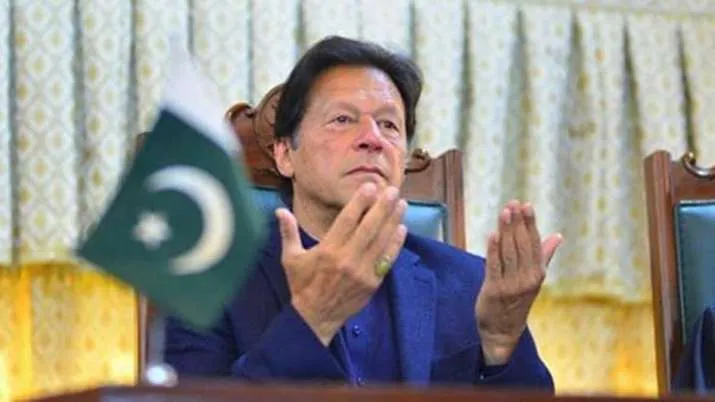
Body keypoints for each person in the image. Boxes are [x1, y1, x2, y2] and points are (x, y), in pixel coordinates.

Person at [164, 35, 562, 390]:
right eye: (342, 119)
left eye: (389, 125)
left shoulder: (469, 282)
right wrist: (311, 319)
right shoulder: (204, 277)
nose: (372, 139)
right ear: (285, 154)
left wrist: (501, 344)